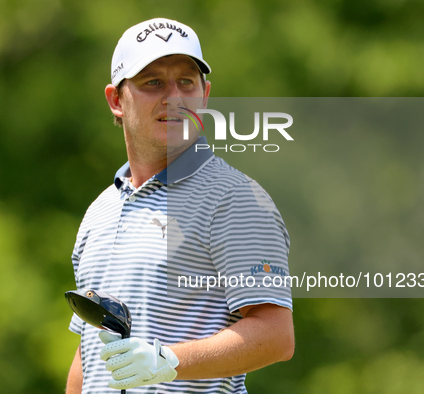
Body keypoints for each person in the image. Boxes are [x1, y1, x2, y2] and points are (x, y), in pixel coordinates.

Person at [67, 17, 294, 394]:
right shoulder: (100, 212)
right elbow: (88, 354)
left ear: (204, 96)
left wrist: (168, 361)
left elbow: (275, 335)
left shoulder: (236, 199)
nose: (173, 95)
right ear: (115, 100)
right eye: (153, 82)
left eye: (186, 82)